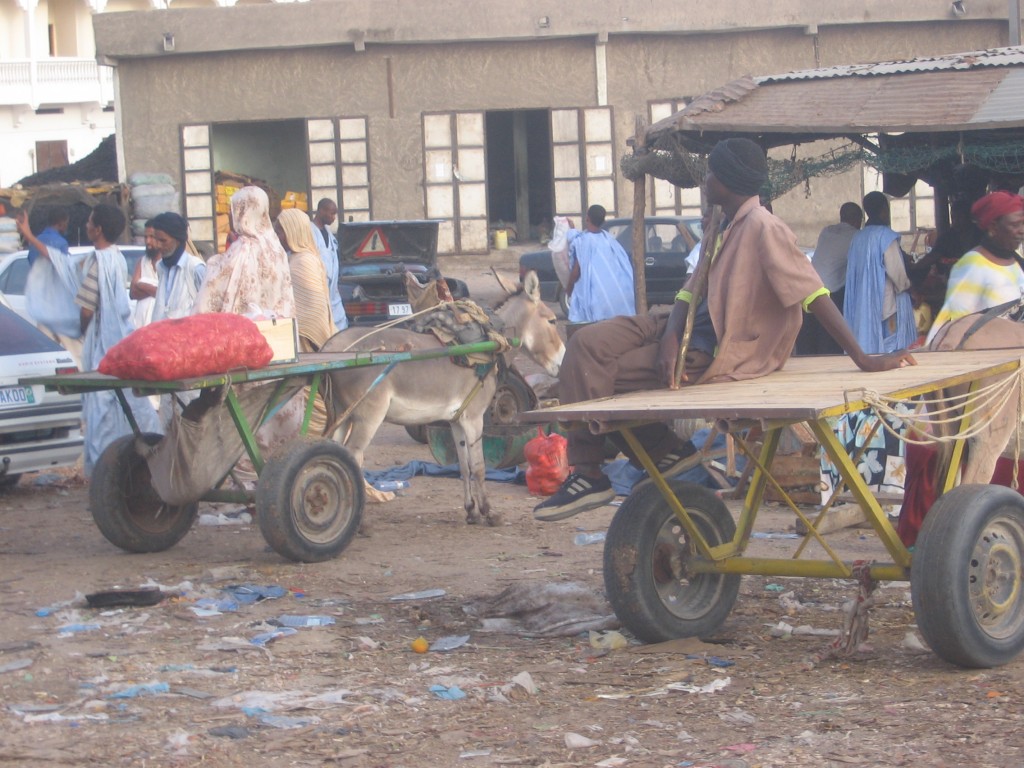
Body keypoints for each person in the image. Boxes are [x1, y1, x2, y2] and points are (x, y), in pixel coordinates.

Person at [533, 138, 915, 522]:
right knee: (584, 344)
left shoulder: (764, 227)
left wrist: (863, 358)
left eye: (712, 172)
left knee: (602, 374)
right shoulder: (722, 223)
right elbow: (691, 286)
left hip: (710, 346)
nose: (706, 179)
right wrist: (668, 336)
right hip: (675, 327)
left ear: (729, 180)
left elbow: (813, 293)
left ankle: (590, 471)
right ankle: (663, 451)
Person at [17, 204, 160, 476]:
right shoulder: (112, 257)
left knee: (102, 410)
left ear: (99, 229)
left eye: (90, 222)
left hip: (104, 345)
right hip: (118, 342)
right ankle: (137, 463)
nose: (86, 226)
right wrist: (30, 236)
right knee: (126, 403)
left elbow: (86, 308)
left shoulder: (98, 263)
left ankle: (107, 473)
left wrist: (81, 329)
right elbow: (62, 263)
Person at [925, 190, 1024, 345]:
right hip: (986, 361)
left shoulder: (1016, 263)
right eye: (1015, 225)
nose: (1021, 230)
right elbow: (955, 325)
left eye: (1023, 223)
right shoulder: (973, 266)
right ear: (993, 226)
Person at [195, 186, 294, 318]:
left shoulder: (243, 248)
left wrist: (213, 263)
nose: (230, 215)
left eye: (233, 210)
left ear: (243, 212)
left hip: (246, 330)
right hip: (273, 330)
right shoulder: (277, 248)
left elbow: (212, 292)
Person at [843, 191, 917, 354]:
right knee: (890, 346)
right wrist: (910, 287)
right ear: (884, 210)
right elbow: (897, 273)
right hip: (886, 303)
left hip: (862, 302)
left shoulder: (858, 237)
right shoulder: (886, 237)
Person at [796, 202, 863, 355]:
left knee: (808, 347)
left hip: (808, 290)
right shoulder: (856, 236)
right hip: (829, 295)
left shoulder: (826, 231)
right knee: (830, 346)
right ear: (858, 220)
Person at [564, 204, 635, 323]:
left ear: (587, 218)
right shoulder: (609, 239)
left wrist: (569, 289)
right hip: (621, 302)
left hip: (599, 306)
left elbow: (576, 272)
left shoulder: (584, 242)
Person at [148, 212, 206, 322]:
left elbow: (209, 310)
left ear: (177, 240)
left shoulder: (195, 268)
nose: (157, 245)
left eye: (163, 241)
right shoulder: (161, 267)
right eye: (156, 240)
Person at [310, 198, 348, 331]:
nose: (334, 218)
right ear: (321, 211)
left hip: (333, 294)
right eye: (332, 213)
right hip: (317, 291)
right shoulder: (310, 232)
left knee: (340, 327)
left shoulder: (329, 233)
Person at [129, 221, 161, 329]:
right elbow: (133, 293)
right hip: (141, 326)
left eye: (152, 237)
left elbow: (164, 293)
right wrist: (154, 289)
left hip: (160, 326)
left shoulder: (168, 264)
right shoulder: (142, 262)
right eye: (146, 237)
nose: (148, 241)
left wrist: (142, 285)